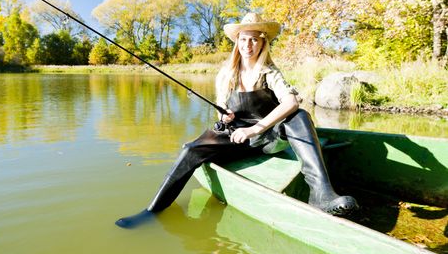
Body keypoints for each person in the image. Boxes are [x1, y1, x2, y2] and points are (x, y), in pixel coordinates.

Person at [116, 13, 358, 228]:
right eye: (243, 39)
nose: (248, 45)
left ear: (263, 42)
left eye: (254, 39)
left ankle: (322, 195)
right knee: (191, 149)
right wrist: (225, 116)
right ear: (237, 42)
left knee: (300, 115)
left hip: (268, 138)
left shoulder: (269, 72)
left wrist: (256, 128)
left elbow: (291, 102)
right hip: (236, 138)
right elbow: (222, 112)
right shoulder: (225, 75)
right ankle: (153, 211)